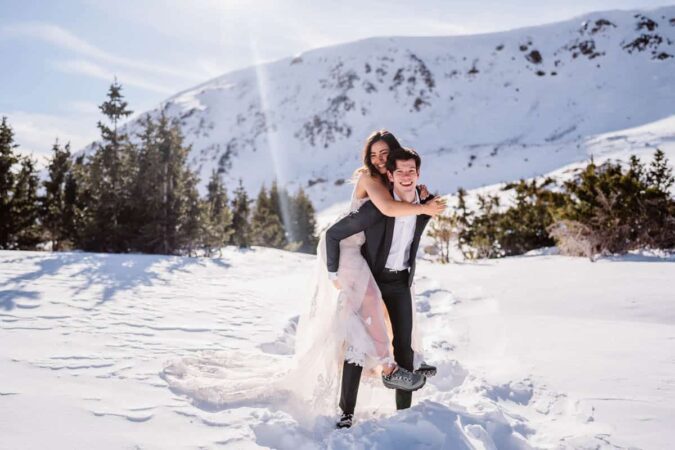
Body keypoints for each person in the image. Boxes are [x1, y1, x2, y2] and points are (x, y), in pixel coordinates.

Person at [325, 145, 442, 429]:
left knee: (404, 348)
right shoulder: (377, 209)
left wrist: (428, 204)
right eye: (399, 171)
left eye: (411, 171)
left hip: (400, 282)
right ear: (389, 175)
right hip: (371, 281)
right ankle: (346, 413)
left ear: (418, 174)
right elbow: (334, 233)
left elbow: (417, 229)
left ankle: (405, 414)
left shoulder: (422, 206)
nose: (405, 176)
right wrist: (334, 272)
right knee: (357, 345)